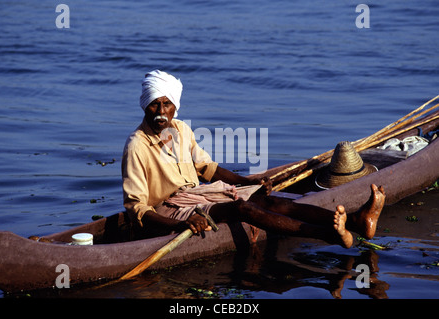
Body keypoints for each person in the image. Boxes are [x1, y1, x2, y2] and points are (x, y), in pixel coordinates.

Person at [122, 70, 386, 249]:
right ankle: (329, 234)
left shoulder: (181, 129)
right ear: (145, 105)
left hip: (199, 195)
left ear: (175, 107)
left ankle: (354, 221)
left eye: (167, 105)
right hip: (171, 208)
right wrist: (181, 224)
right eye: (155, 104)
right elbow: (137, 208)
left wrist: (247, 181)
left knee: (266, 199)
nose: (161, 112)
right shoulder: (137, 146)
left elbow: (208, 168)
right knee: (241, 209)